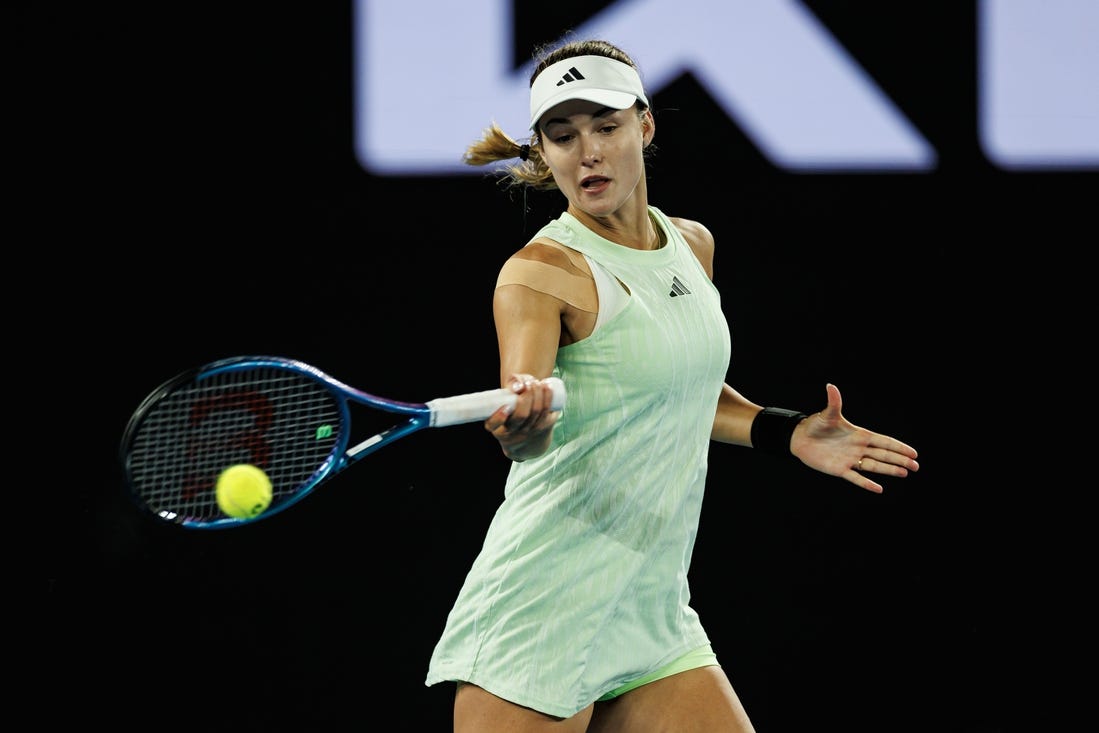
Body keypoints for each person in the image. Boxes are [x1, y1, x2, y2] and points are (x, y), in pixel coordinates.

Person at [425, 38, 920, 732]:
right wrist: (525, 426)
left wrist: (784, 429)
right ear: (543, 154)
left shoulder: (691, 244)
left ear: (644, 125)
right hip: (544, 603)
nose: (587, 151)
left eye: (605, 126)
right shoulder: (539, 272)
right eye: (562, 136)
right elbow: (524, 402)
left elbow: (672, 388)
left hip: (650, 608)